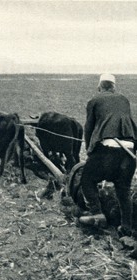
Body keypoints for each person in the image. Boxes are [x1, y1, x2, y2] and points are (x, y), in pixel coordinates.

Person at [79, 73, 137, 236]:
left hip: (107, 151)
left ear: (100, 87)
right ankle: (126, 227)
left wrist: (90, 150)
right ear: (114, 87)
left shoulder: (94, 101)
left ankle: (97, 213)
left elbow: (88, 127)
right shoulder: (124, 100)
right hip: (129, 152)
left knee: (87, 179)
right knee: (123, 190)